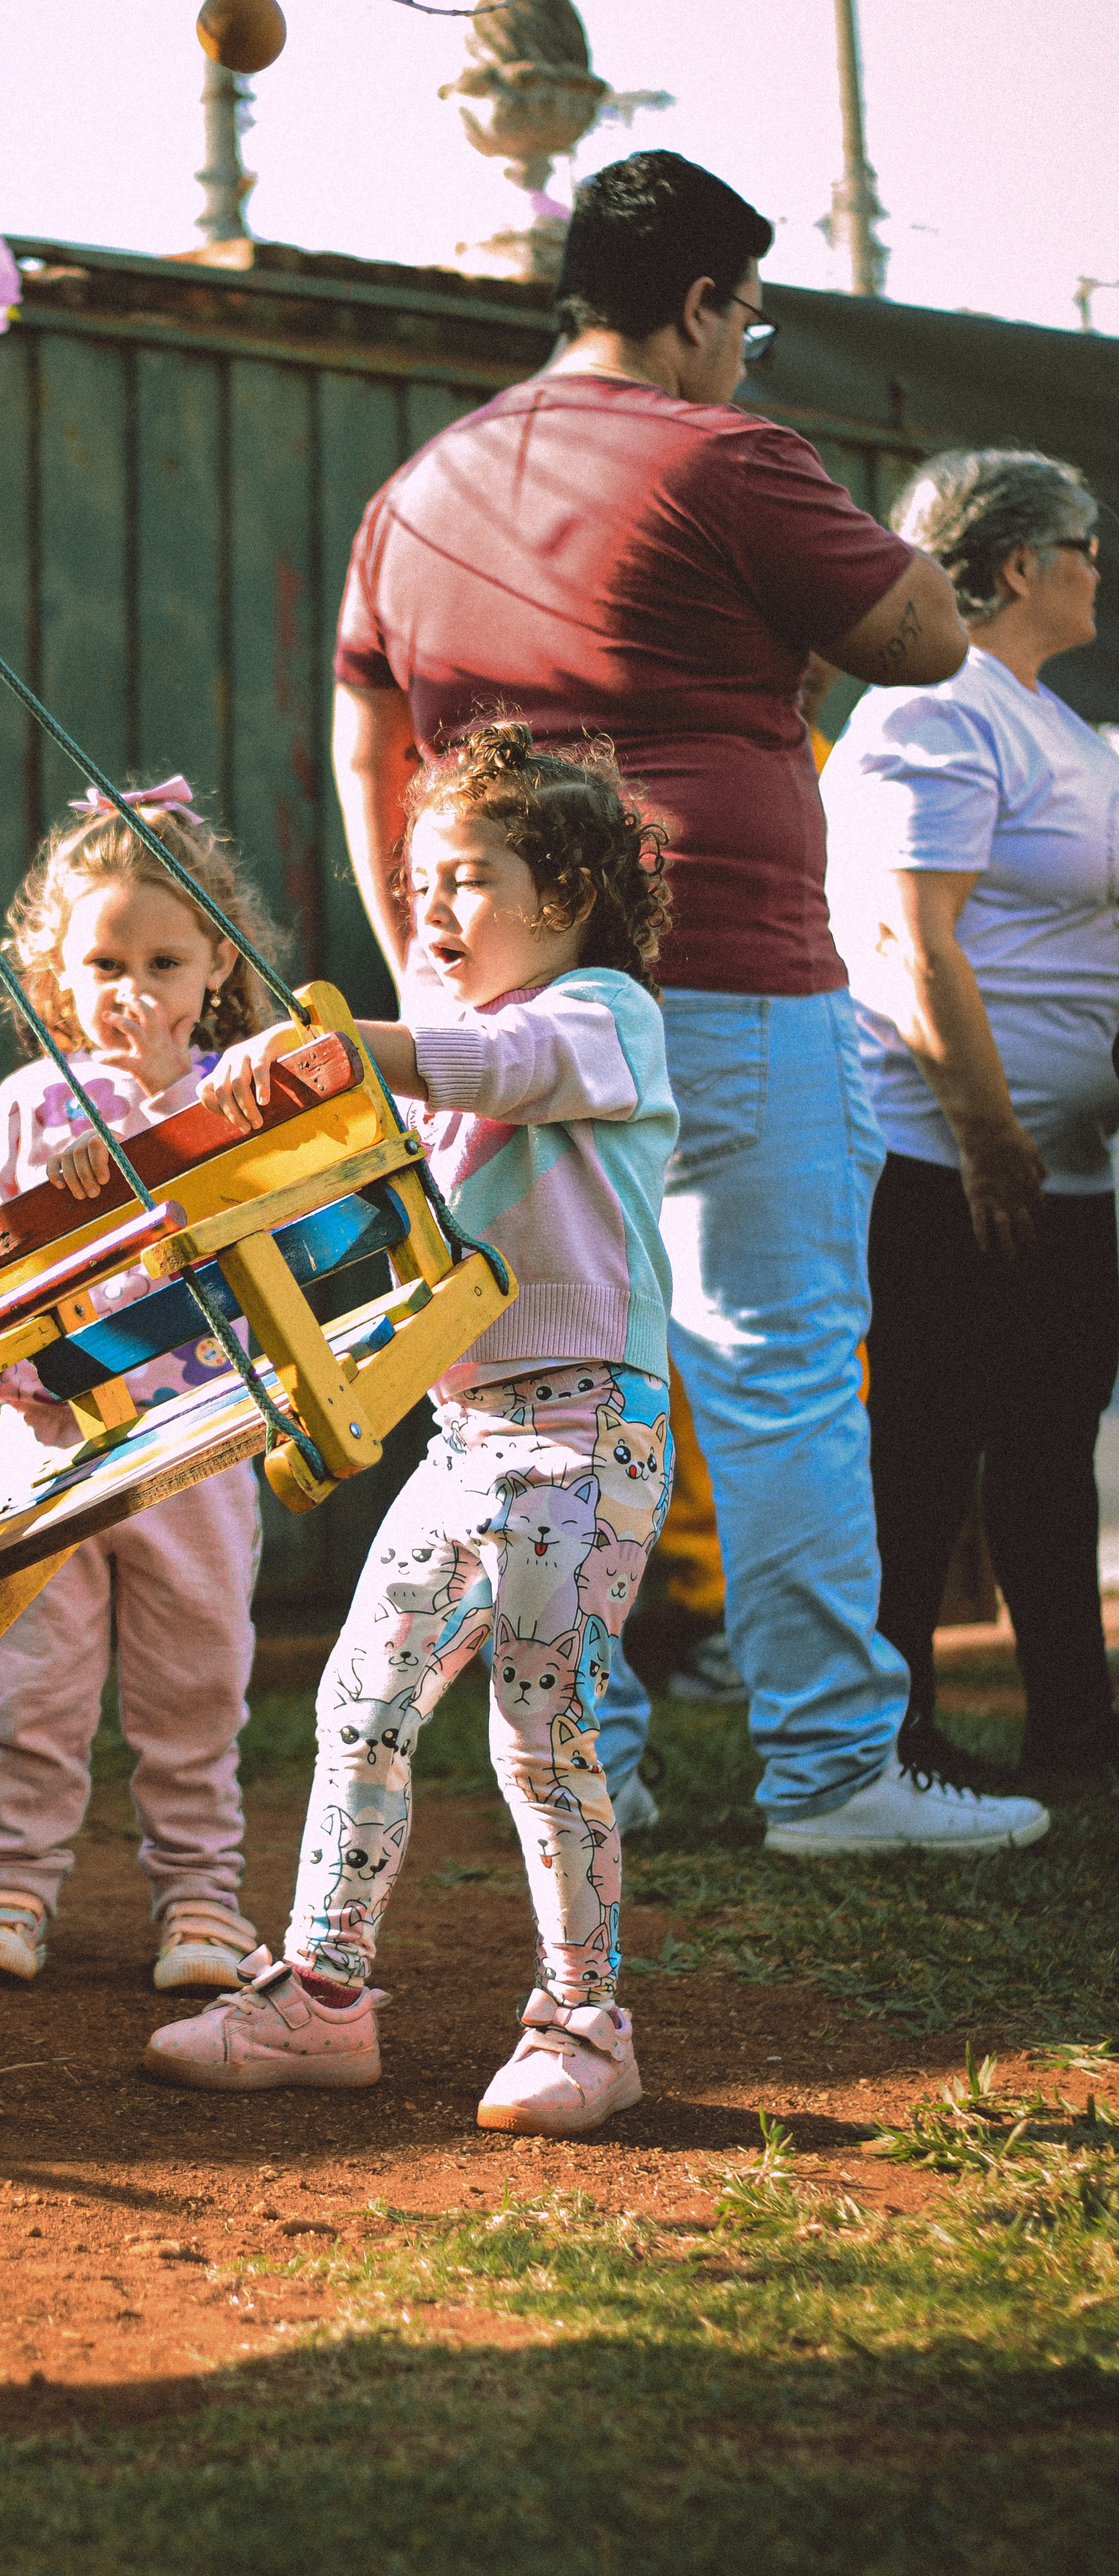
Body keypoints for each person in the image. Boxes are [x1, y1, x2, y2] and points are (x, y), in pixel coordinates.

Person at [325, 149, 1047, 1858]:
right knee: (777, 1372)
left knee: (536, 1393)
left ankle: (594, 1766)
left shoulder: (415, 490)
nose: (743, 353)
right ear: (702, 303)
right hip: (723, 984)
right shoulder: (725, 455)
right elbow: (923, 634)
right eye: (749, 322)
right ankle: (830, 1776)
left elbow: (366, 748)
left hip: (498, 1019)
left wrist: (434, 969)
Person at [143, 724, 677, 2133]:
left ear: (566, 894)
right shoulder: (443, 1073)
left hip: (583, 1435)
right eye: (419, 881)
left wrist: (335, 1051)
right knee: (357, 1702)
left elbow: (494, 1065)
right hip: (465, 1438)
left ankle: (585, 2026)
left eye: (467, 878)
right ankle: (319, 2000)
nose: (431, 907)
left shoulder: (603, 1016)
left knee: (539, 1727)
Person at [0, 779, 279, 1994]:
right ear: (54, 973)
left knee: (195, 1682)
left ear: (217, 967)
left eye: (164, 962)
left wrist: (165, 1109)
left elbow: (261, 1222)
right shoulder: (28, 1105)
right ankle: (12, 1887)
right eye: (104, 963)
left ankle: (202, 1901)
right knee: (31, 1678)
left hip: (197, 1440)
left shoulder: (236, 1095)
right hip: (50, 1439)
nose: (134, 990)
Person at [822, 450, 1119, 1795]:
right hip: (950, 1156)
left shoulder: (1048, 718)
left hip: (1056, 1163)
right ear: (1017, 564)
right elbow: (910, 937)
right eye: (1084, 543)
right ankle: (895, 1735)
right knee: (928, 1448)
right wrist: (991, 1136)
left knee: (1049, 1444)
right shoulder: (939, 708)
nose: (1096, 567)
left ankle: (1073, 1729)